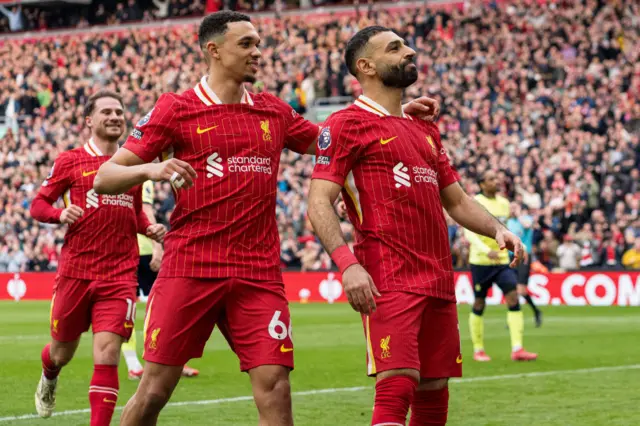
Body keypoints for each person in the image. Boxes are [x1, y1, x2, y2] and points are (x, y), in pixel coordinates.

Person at [92, 11, 440, 426]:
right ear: (213, 50)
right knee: (153, 391)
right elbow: (105, 177)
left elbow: (337, 140)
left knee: (276, 385)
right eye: (246, 44)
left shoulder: (273, 110)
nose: (258, 52)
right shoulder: (176, 109)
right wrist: (151, 169)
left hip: (258, 272)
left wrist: (391, 115)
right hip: (191, 266)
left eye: (259, 43)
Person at [307, 26, 526, 426]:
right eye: (396, 48)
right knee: (396, 387)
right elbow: (318, 201)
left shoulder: (424, 128)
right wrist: (347, 264)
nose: (410, 51)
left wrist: (497, 229)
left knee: (433, 393)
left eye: (406, 45)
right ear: (366, 66)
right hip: (387, 275)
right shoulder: (345, 123)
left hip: (438, 278)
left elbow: (457, 200)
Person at [30, 90, 166, 424]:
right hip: (76, 272)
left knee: (107, 353)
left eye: (119, 112)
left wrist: (149, 228)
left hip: (119, 275)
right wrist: (58, 215)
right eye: (106, 111)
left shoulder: (130, 165)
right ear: (89, 120)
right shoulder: (70, 161)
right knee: (62, 352)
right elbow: (38, 205)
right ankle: (49, 373)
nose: (115, 117)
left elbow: (134, 213)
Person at [121, 180, 200, 380]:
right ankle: (165, 362)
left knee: (126, 307)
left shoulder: (120, 172)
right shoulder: (142, 176)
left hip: (124, 247)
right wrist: (157, 245)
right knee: (164, 306)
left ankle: (140, 364)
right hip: (141, 250)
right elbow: (146, 209)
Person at [464, 170, 538, 362]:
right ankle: (478, 349)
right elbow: (469, 231)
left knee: (513, 297)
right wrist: (483, 249)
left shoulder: (504, 204)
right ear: (482, 184)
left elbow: (506, 230)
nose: (496, 182)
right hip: (481, 261)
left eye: (496, 178)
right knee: (479, 302)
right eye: (491, 179)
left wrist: (518, 246)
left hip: (502, 262)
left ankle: (517, 348)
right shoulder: (475, 202)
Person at [507, 203, 542, 327]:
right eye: (510, 208)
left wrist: (519, 215)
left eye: (514, 208)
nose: (511, 210)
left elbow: (527, 226)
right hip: (511, 256)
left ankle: (536, 311)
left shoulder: (527, 219)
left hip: (524, 256)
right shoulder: (509, 222)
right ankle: (514, 317)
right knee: (511, 288)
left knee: (521, 290)